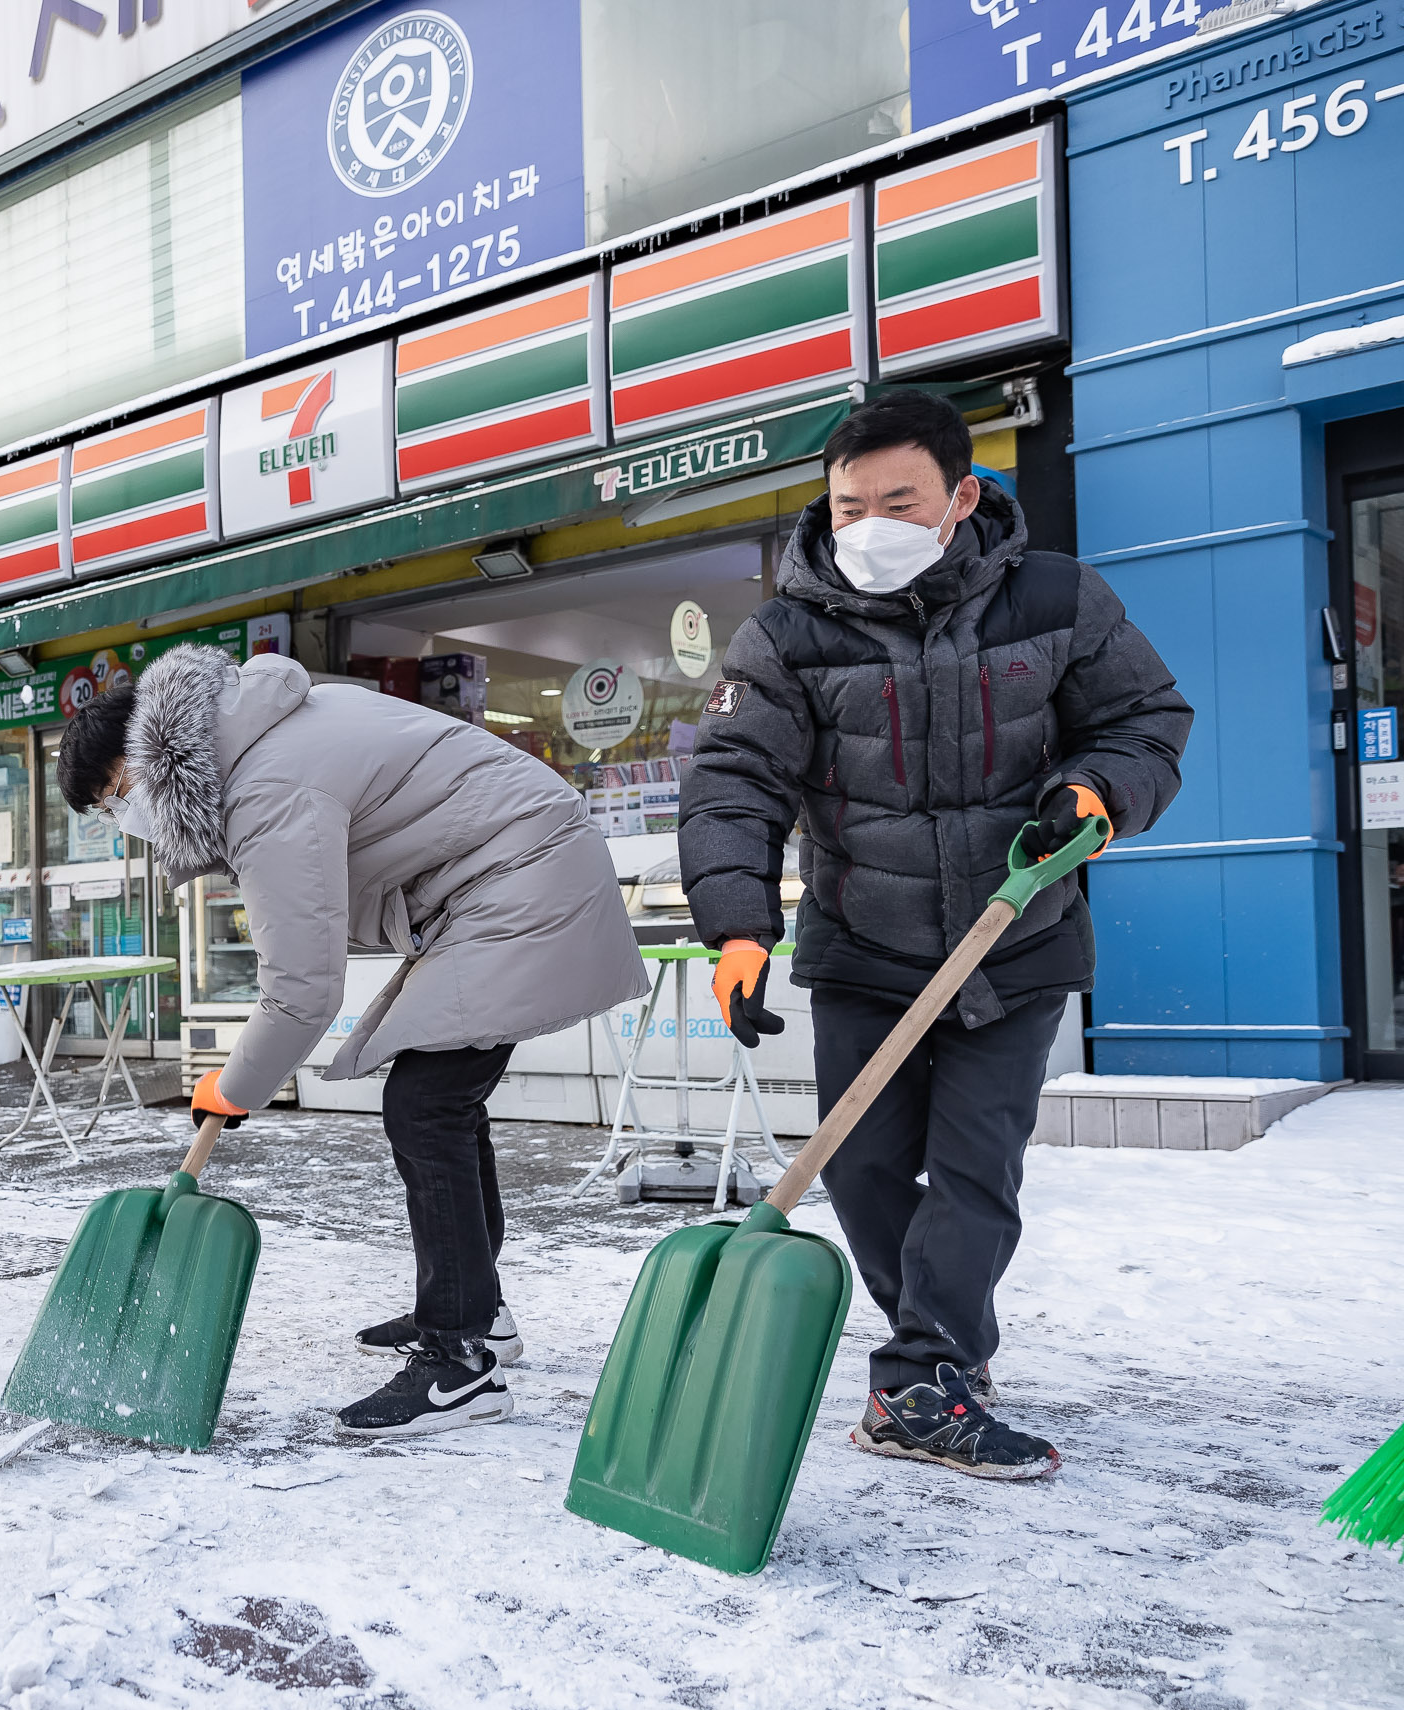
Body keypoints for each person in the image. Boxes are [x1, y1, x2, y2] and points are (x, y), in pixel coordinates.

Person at [681, 388, 1190, 1481]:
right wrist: (736, 925)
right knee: (863, 1169)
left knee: (973, 1171)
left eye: (898, 501)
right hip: (865, 939)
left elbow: (1148, 720)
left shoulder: (1058, 597)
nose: (869, 523)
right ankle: (944, 1346)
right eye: (849, 502)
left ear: (961, 496)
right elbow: (734, 779)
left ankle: (921, 1375)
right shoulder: (785, 630)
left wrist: (1097, 789)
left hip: (1018, 934)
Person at [58, 644, 645, 1436]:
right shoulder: (252, 736)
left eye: (117, 795)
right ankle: (479, 1310)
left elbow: (302, 987)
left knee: (426, 1104)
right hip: (497, 879)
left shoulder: (265, 786)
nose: (124, 817)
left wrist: (234, 1088)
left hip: (522, 877)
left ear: (153, 756)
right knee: (442, 1100)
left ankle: (459, 1360)